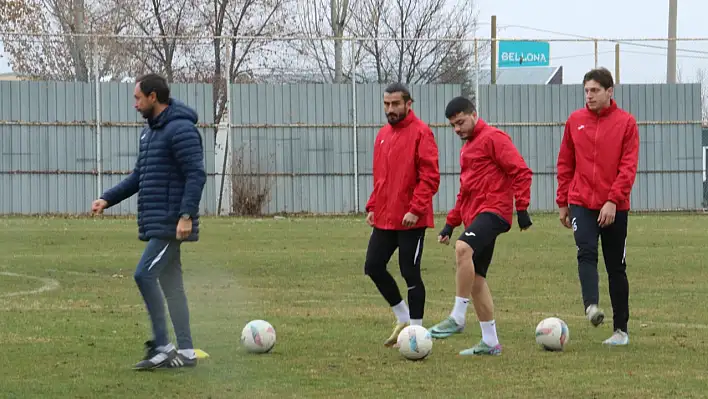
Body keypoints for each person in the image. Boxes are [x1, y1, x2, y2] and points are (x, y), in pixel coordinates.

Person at [91, 73, 207, 369]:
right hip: (160, 221)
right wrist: (108, 198)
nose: (135, 104)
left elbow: (196, 174)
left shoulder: (181, 130)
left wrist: (185, 216)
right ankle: (187, 351)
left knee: (144, 275)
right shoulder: (151, 133)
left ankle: (163, 346)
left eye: (137, 98)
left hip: (170, 223)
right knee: (173, 286)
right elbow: (139, 177)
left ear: (153, 97)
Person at [429, 96, 533, 356]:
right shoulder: (467, 148)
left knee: (463, 248)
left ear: (474, 114)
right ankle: (490, 341)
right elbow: (465, 192)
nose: (457, 129)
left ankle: (458, 316)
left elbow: (520, 171)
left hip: (494, 211)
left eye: (461, 122)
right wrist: (450, 224)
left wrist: (521, 207)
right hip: (474, 216)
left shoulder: (494, 138)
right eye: (453, 125)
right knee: (476, 280)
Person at [556, 67, 639, 346]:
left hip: (615, 205)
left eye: (595, 90)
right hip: (581, 202)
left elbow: (628, 167)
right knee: (586, 251)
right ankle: (591, 306)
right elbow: (565, 163)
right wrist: (563, 203)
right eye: (586, 91)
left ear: (609, 91)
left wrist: (613, 200)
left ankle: (621, 331)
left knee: (616, 266)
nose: (589, 96)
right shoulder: (575, 121)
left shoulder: (626, 123)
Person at [364, 82, 441, 347]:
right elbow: (381, 178)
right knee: (373, 266)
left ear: (409, 104)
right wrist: (373, 206)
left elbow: (430, 178)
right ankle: (403, 317)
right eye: (386, 104)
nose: (390, 109)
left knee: (410, 272)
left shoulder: (422, 133)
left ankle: (417, 334)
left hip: (411, 219)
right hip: (385, 217)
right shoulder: (383, 135)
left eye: (396, 104)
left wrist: (415, 209)